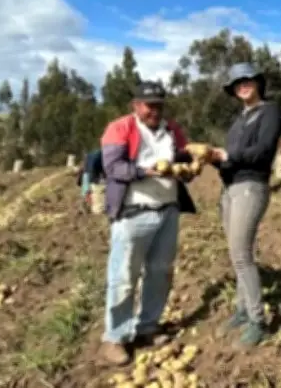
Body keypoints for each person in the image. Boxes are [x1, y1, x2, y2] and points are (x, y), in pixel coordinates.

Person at [98, 81, 198, 365]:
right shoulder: (120, 128)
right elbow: (113, 167)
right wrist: (146, 171)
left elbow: (182, 158)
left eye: (159, 105)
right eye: (149, 105)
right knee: (123, 277)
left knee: (159, 272)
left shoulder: (172, 129)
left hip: (167, 211)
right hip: (133, 212)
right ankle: (115, 337)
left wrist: (188, 169)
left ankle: (147, 327)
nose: (155, 110)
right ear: (136, 105)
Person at [209, 63, 281, 348]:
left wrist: (229, 154)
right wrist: (213, 157)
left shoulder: (270, 112)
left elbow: (263, 152)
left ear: (257, 83)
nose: (243, 85)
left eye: (247, 80)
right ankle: (242, 309)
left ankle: (257, 321)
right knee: (235, 253)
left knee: (242, 255)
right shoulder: (239, 119)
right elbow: (232, 157)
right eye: (237, 82)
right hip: (230, 189)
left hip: (251, 187)